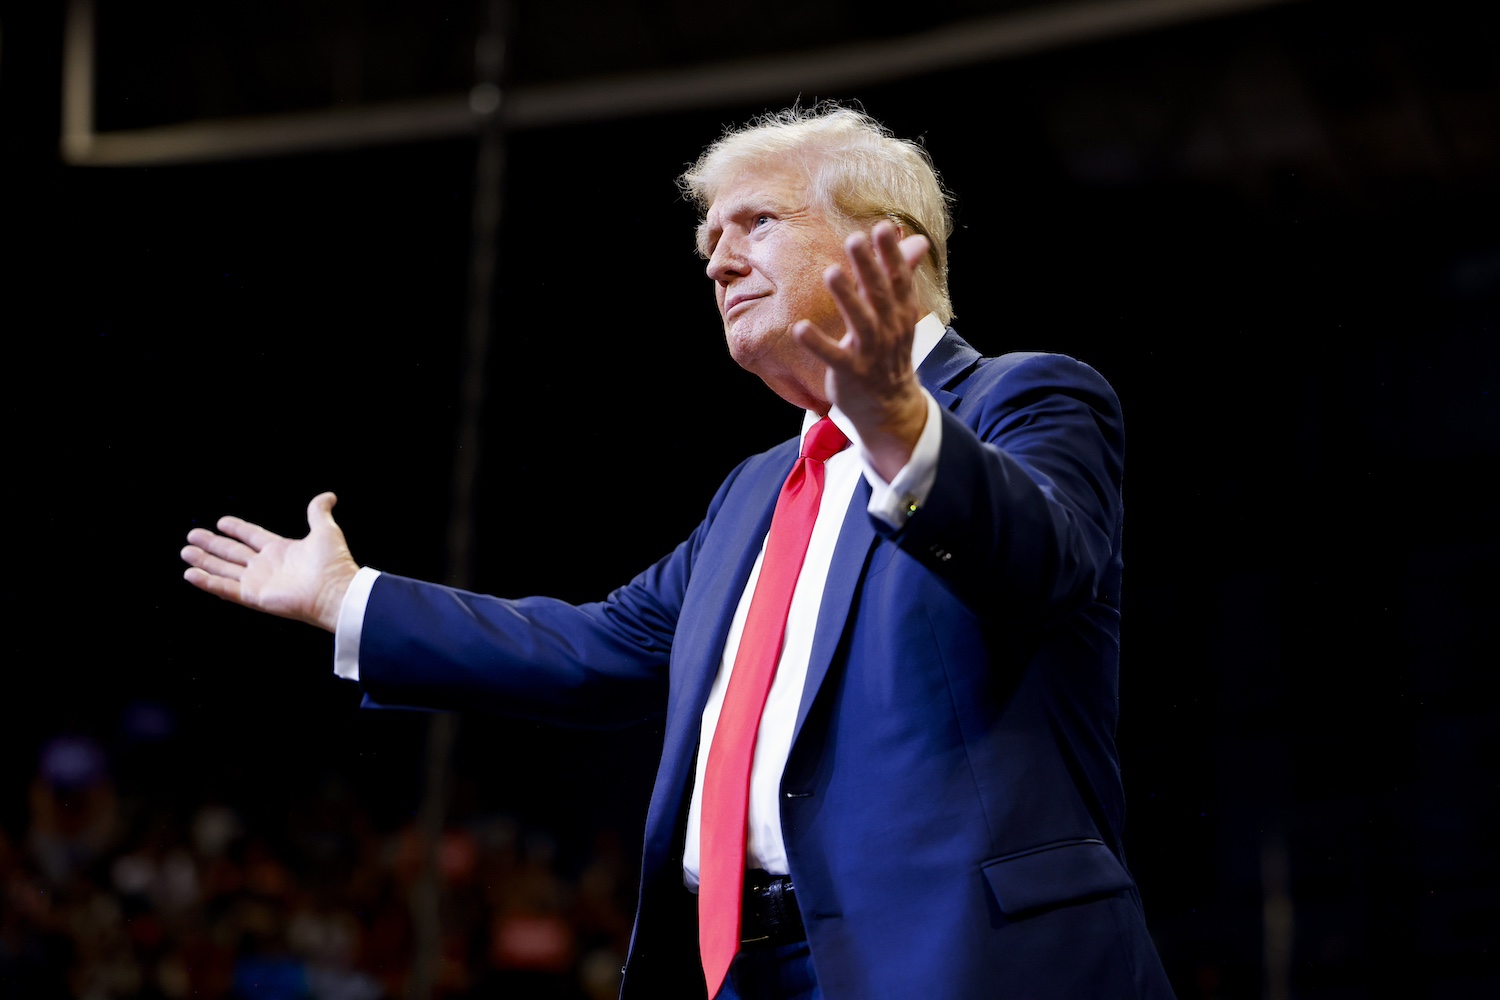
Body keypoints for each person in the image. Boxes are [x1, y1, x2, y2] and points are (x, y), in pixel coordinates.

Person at [182, 104, 1176, 999]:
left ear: (893, 249)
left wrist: (903, 431)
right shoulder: (754, 495)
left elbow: (1041, 558)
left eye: (758, 223)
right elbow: (596, 651)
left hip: (962, 960)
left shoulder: (1029, 397)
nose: (718, 259)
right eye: (708, 240)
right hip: (738, 971)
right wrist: (350, 599)